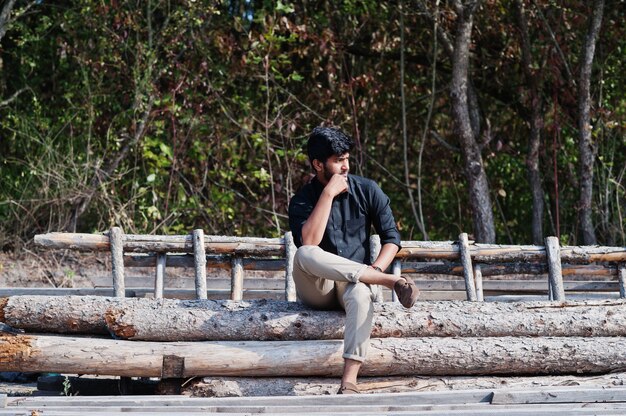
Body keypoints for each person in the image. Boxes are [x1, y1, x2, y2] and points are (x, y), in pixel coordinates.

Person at [288, 126, 420, 394]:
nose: (346, 166)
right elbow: (309, 242)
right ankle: (390, 282)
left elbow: (392, 239)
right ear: (318, 164)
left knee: (360, 293)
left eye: (347, 158)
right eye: (338, 161)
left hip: (355, 281)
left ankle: (349, 382)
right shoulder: (302, 200)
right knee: (304, 253)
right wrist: (327, 195)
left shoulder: (368, 190)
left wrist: (375, 268)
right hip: (318, 287)